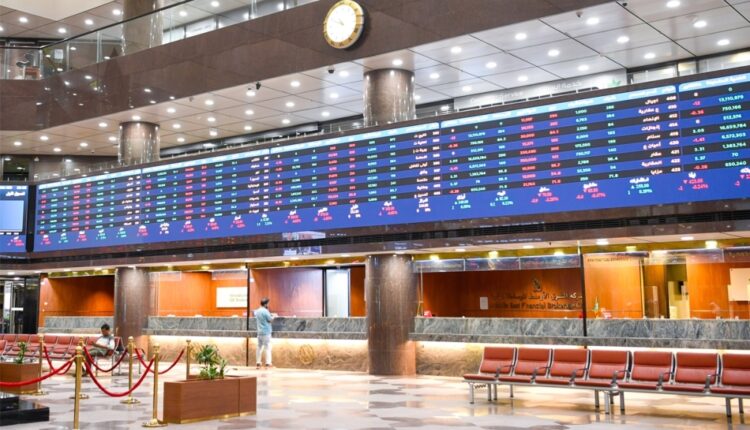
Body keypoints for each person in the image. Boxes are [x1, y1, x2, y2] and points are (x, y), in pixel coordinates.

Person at [255, 297, 274, 369]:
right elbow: (270, 319)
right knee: (267, 348)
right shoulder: (265, 311)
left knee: (259, 347)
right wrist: (273, 317)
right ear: (265, 304)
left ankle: (258, 363)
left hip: (259, 332)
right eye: (268, 303)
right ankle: (268, 364)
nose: (268, 305)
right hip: (266, 332)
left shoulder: (257, 311)